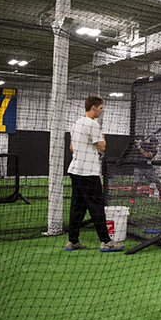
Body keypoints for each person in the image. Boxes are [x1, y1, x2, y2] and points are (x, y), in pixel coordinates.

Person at [60, 96, 125, 252]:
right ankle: (106, 242)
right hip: (88, 172)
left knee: (78, 206)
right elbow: (102, 147)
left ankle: (73, 241)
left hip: (75, 170)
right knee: (96, 206)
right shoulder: (93, 124)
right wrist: (102, 137)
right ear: (94, 107)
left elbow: (71, 148)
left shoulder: (76, 123)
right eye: (101, 108)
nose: (102, 111)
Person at [130, 137, 161, 204]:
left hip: (149, 168)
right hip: (139, 167)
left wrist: (139, 147)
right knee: (135, 182)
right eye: (155, 144)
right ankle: (132, 198)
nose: (156, 146)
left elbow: (147, 155)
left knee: (157, 182)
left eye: (157, 144)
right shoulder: (145, 145)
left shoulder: (154, 151)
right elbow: (134, 141)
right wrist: (138, 142)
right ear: (152, 144)